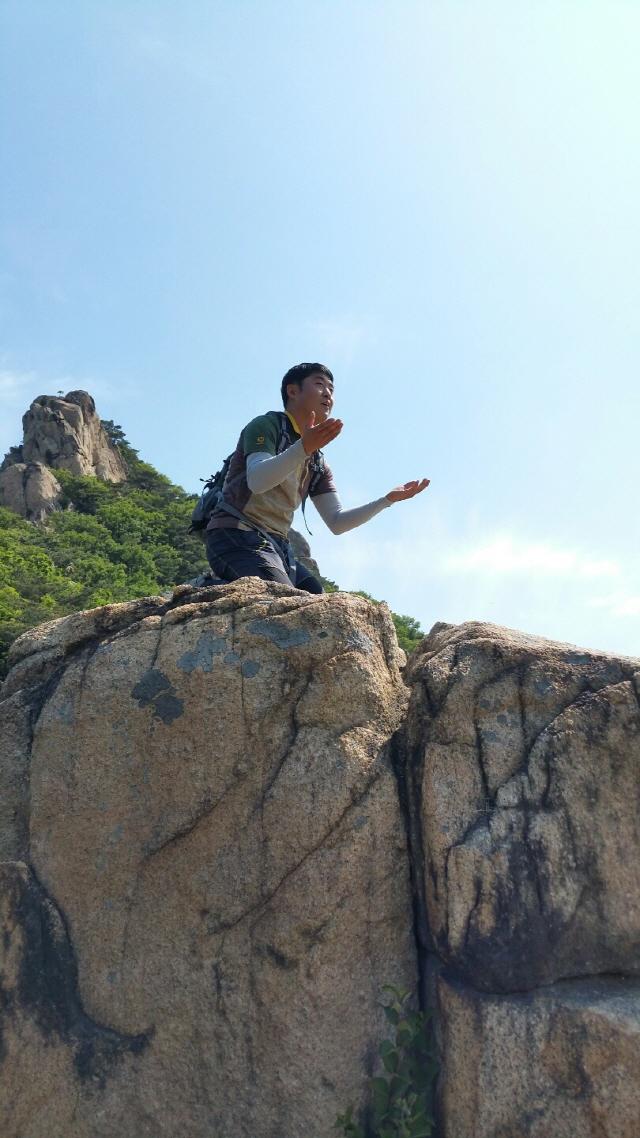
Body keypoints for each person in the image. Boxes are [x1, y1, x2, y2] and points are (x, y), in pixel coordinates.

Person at [205, 362, 429, 592]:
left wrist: (386, 500)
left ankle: (219, 585)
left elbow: (337, 522)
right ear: (293, 391)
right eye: (319, 384)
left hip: (276, 545)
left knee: (316, 598)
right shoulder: (267, 425)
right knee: (285, 599)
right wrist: (303, 448)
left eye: (331, 389)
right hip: (235, 533)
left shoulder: (317, 461)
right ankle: (210, 589)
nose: (328, 394)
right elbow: (257, 480)